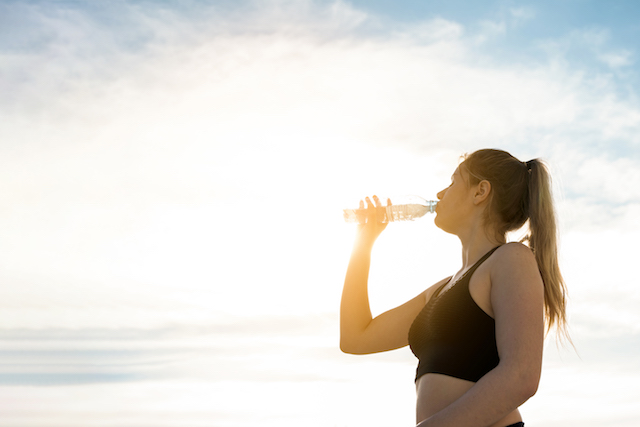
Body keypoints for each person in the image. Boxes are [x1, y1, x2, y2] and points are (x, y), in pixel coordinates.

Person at [340, 149, 569, 427]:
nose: (439, 194)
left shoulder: (511, 259)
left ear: (480, 191)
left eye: (452, 182)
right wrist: (364, 243)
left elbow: (521, 377)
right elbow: (355, 338)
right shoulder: (441, 290)